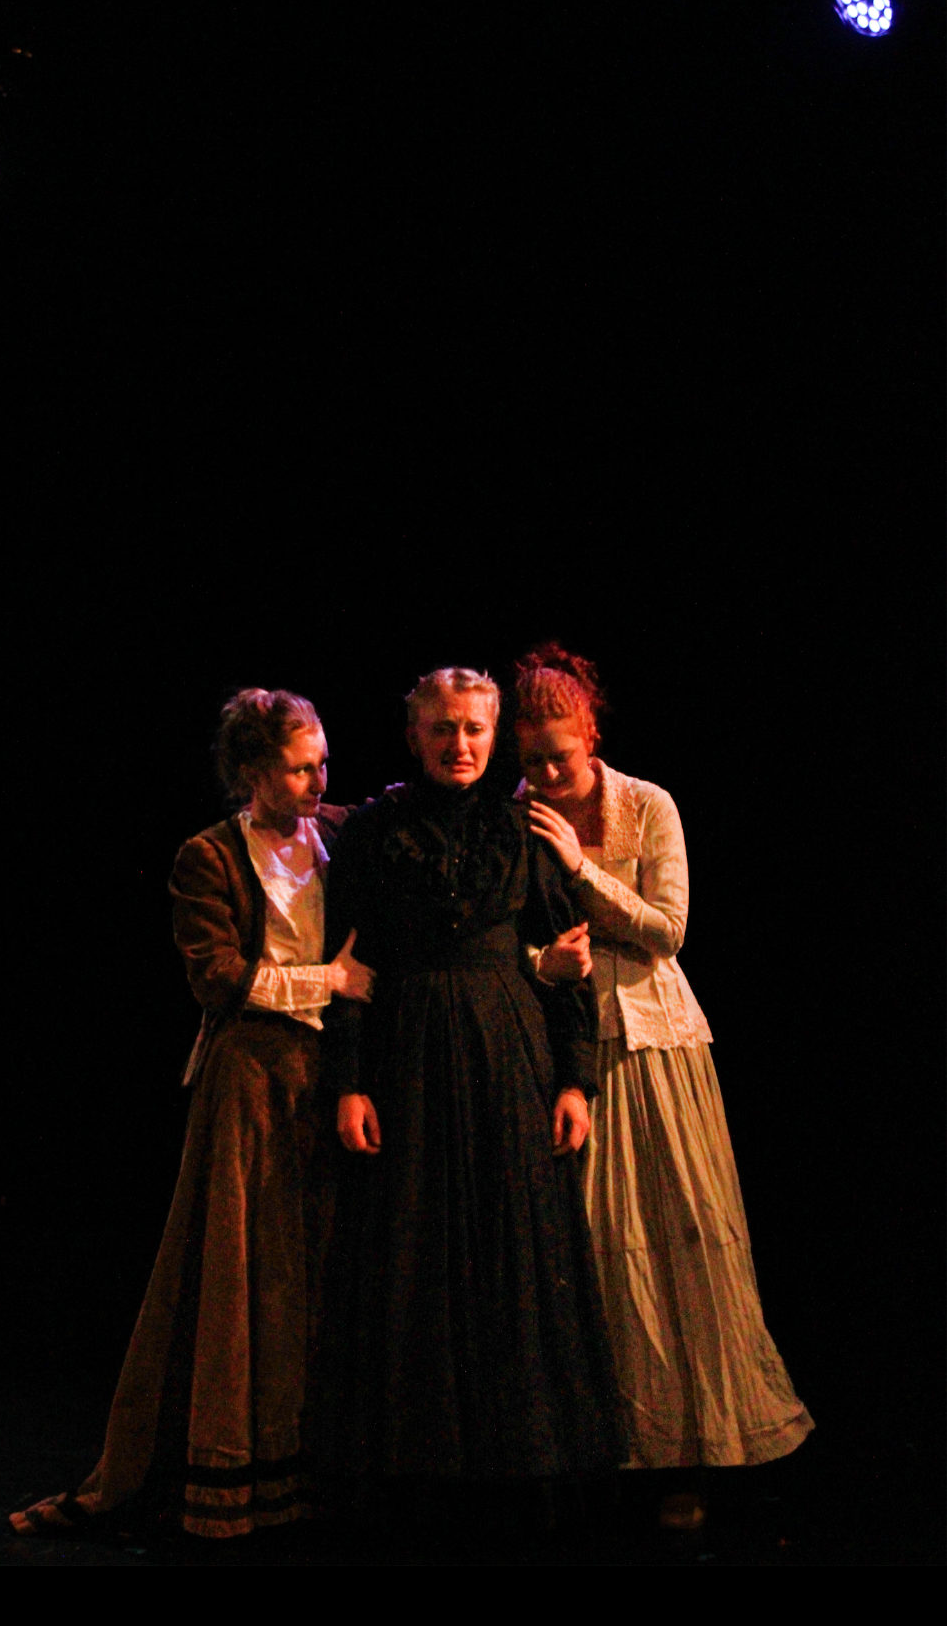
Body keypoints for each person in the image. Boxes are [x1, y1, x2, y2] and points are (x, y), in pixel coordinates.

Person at [10, 687, 374, 1542]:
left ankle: (316, 1469)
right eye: (298, 764)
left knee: (317, 1271)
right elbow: (218, 977)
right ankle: (224, 1476)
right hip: (248, 1077)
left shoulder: (345, 833)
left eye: (323, 758)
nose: (319, 776)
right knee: (239, 1274)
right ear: (252, 771)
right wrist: (330, 979)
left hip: (333, 1075)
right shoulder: (208, 856)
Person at [315, 667, 623, 1528]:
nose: (460, 745)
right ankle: (416, 1472)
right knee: (412, 1252)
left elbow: (568, 961)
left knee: (514, 1248)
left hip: (507, 1052)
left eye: (476, 731)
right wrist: (348, 1084)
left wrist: (574, 1078)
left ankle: (521, 1467)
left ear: (496, 738)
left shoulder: (523, 827)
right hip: (407, 1054)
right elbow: (347, 965)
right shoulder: (376, 831)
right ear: (415, 735)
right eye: (444, 730)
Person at [512, 643, 813, 1520]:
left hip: (656, 1045)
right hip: (566, 1049)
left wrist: (577, 867)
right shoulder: (515, 814)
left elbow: (666, 929)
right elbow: (504, 945)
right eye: (530, 758)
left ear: (591, 731)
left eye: (558, 753)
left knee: (680, 1241)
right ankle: (605, 1445)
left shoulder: (645, 804)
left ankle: (689, 1448)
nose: (545, 770)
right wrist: (542, 960)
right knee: (592, 1251)